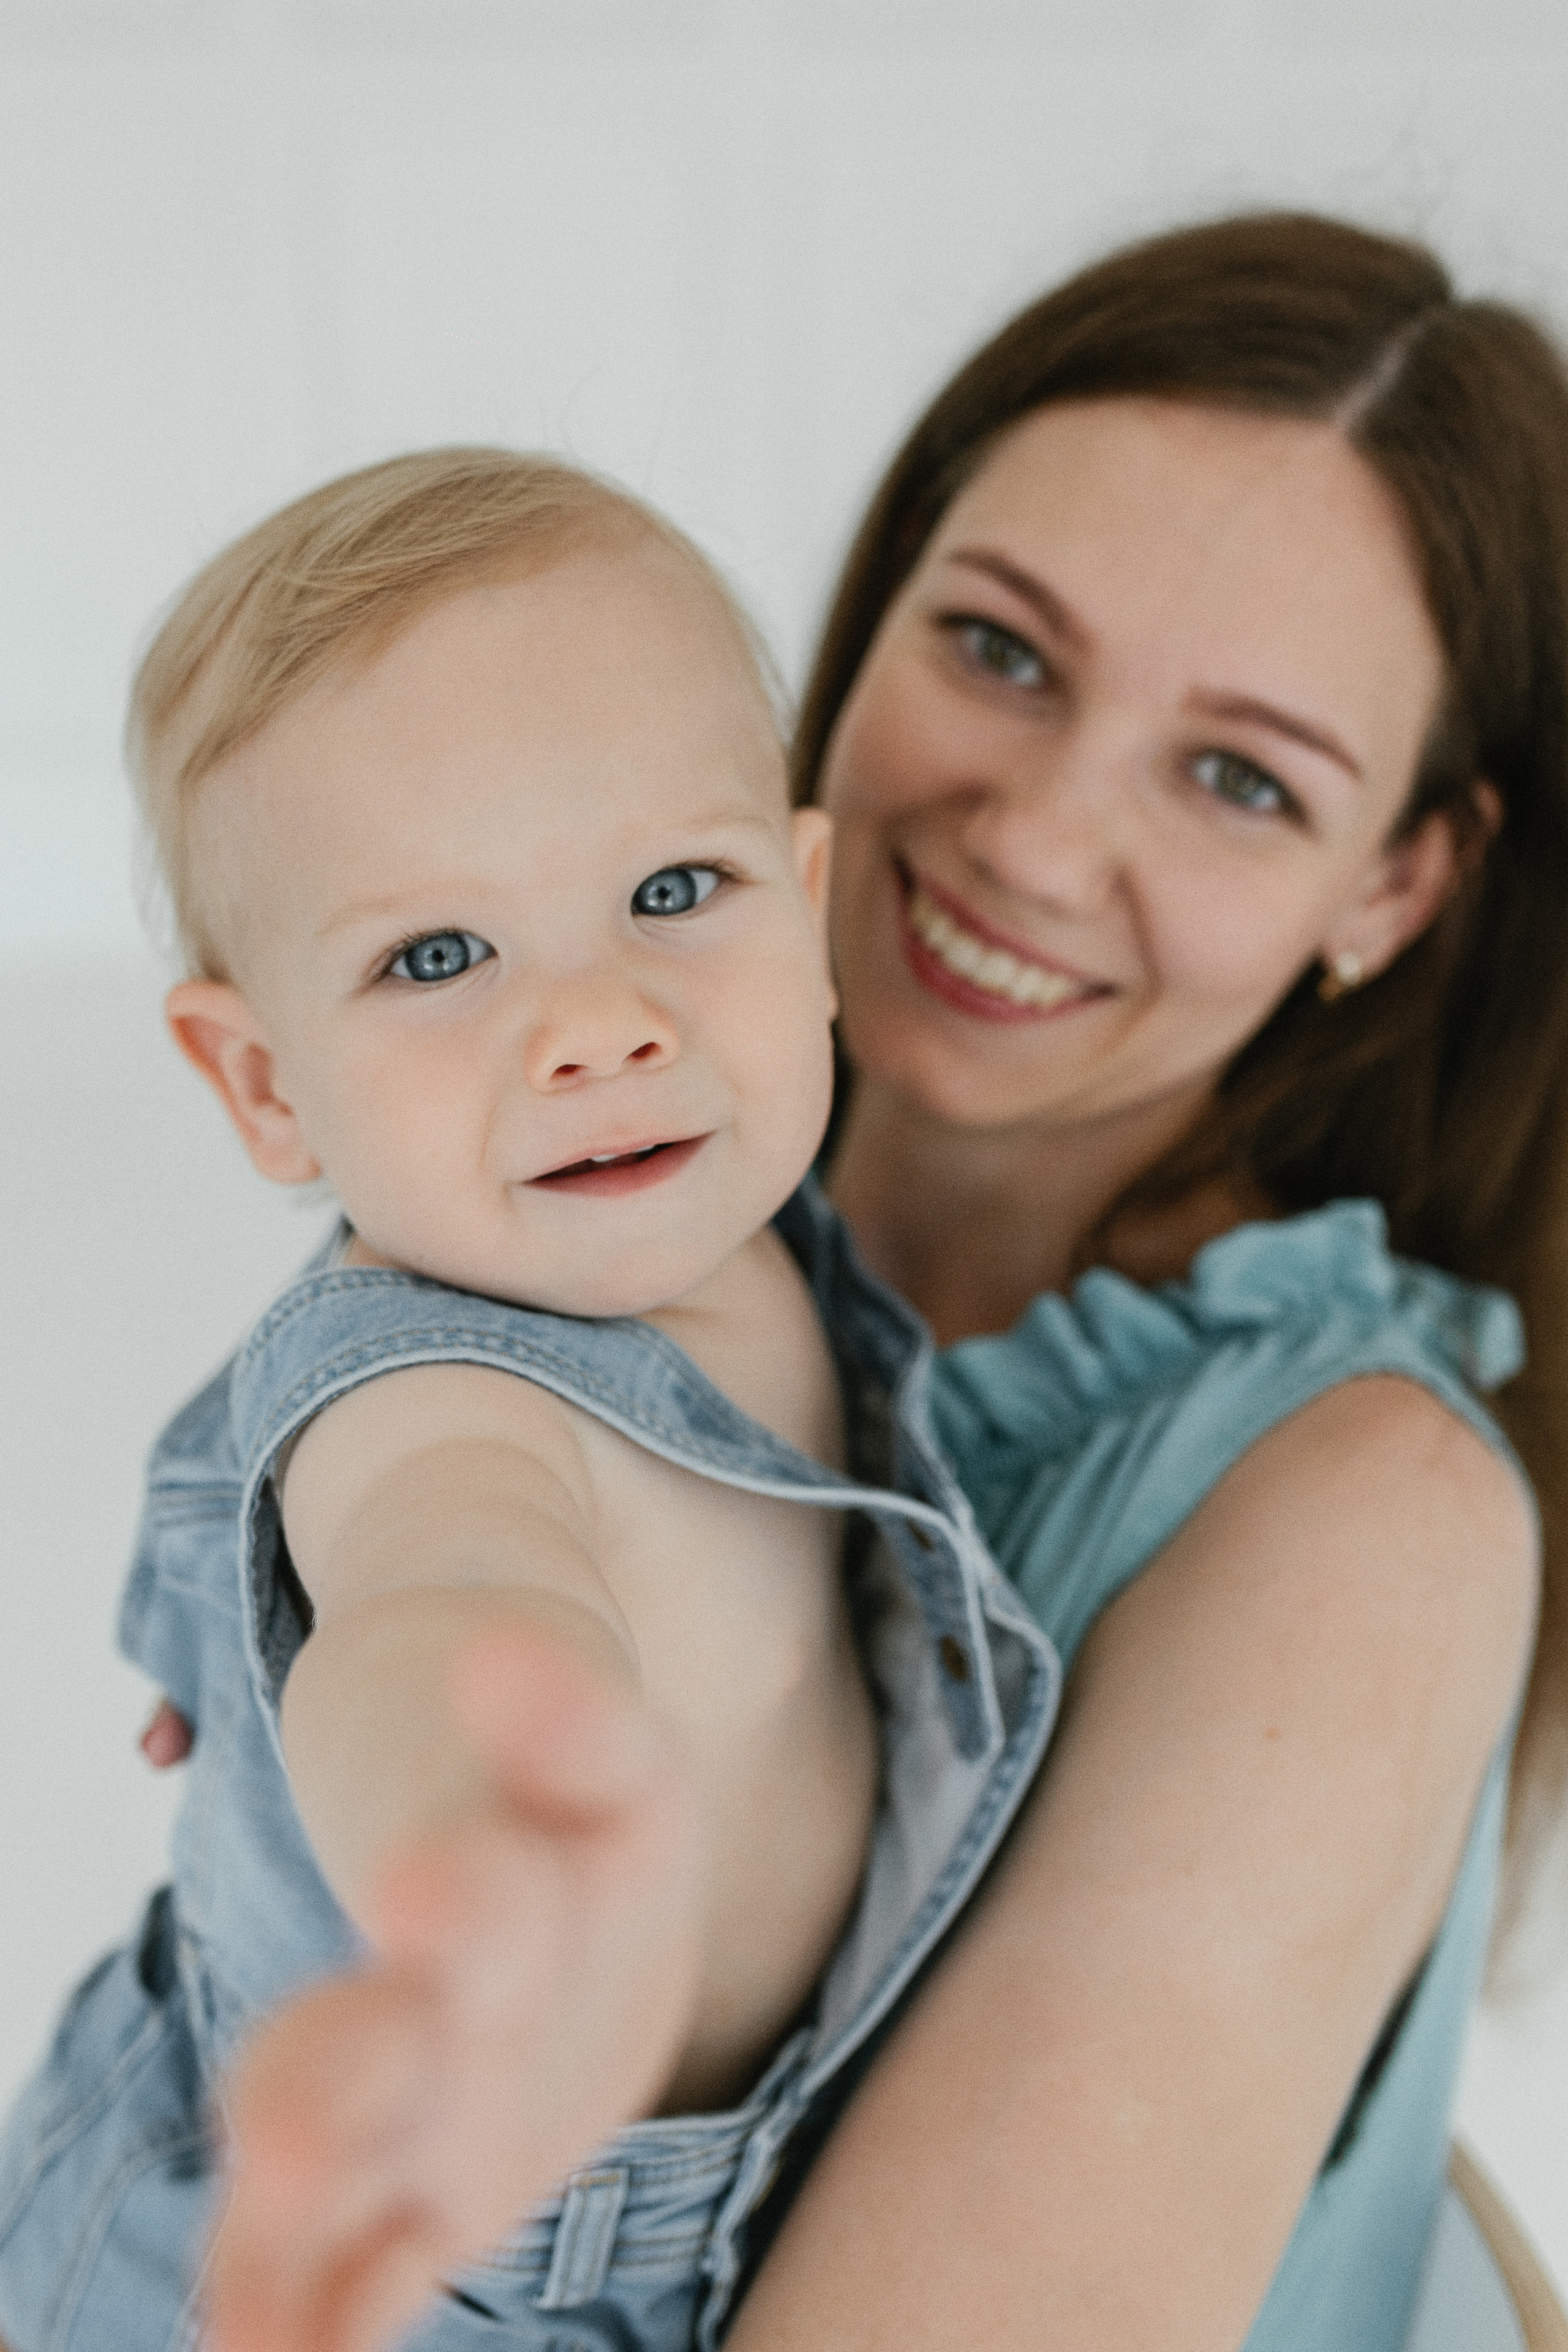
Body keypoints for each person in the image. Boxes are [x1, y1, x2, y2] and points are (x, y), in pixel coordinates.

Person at [213, 213, 1562, 2352]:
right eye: (1003, 651)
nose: (1031, 836)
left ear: (1392, 884)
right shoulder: (614, 1170)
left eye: (1238, 776)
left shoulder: (1365, 1520)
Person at [0, 450, 1064, 2352]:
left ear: (804, 909)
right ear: (264, 1088)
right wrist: (484, 1889)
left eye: (674, 888)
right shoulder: (436, 1400)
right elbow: (440, 1599)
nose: (598, 1018)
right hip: (353, 2269)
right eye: (438, 955)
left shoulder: (741, 1231)